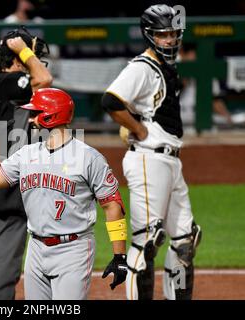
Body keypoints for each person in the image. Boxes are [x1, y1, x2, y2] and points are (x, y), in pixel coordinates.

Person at [0, 88, 128, 299]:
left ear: (50, 116)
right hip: (35, 249)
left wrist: (119, 255)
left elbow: (112, 204)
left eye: (35, 113)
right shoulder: (26, 154)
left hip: (73, 249)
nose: (31, 119)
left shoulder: (88, 157)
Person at [101, 4, 202, 300]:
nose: (170, 40)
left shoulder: (167, 67)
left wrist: (135, 122)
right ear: (149, 36)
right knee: (146, 241)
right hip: (148, 158)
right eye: (163, 35)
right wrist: (138, 128)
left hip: (171, 161)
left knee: (185, 240)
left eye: (173, 33)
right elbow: (111, 100)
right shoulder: (142, 68)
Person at [0, 26, 52, 300]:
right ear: (17, 58)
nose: (36, 59)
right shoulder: (11, 83)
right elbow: (44, 78)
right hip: (7, 183)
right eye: (31, 53)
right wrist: (23, 49)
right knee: (4, 265)